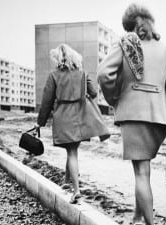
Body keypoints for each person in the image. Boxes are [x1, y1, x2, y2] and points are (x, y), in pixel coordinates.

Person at [97, 3, 166, 225]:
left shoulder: (125, 45)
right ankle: (137, 217)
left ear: (132, 26)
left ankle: (149, 223)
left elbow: (103, 74)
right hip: (160, 120)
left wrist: (116, 96)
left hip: (134, 117)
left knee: (141, 174)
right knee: (145, 170)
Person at [36, 43, 110, 203]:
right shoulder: (82, 73)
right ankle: (66, 182)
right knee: (72, 150)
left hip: (63, 116)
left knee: (71, 153)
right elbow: (94, 92)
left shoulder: (54, 75)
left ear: (58, 59)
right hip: (80, 116)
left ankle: (76, 190)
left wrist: (40, 122)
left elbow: (47, 101)